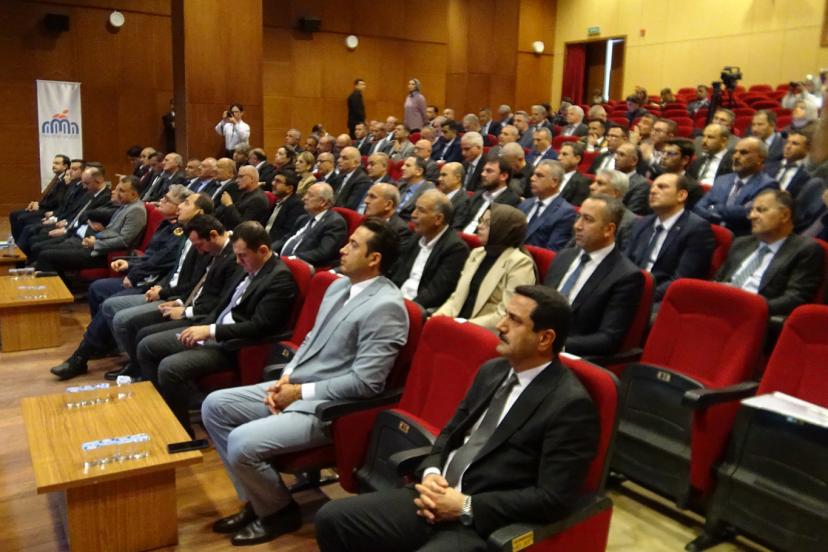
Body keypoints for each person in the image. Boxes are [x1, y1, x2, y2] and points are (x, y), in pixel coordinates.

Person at [315, 285, 599, 552]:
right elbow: (449, 434)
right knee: (332, 519)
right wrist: (431, 473)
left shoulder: (570, 405)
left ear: (545, 338)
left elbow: (552, 498)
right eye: (505, 315)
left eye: (514, 320)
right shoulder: (492, 371)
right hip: (434, 495)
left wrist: (465, 505)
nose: (501, 326)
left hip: (480, 523)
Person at [201, 218, 409, 546]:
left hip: (329, 407)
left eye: (354, 245)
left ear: (374, 259)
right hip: (296, 384)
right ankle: (259, 500)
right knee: (214, 406)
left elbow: (367, 383)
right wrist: (286, 376)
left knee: (240, 442)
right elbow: (311, 339)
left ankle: (278, 512)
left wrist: (298, 393)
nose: (343, 249)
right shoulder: (338, 286)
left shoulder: (387, 307)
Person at [138, 221, 297, 434]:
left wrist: (210, 331)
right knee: (148, 346)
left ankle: (180, 432)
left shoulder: (279, 278)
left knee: (169, 367)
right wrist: (203, 325)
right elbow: (222, 304)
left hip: (233, 345)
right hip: (213, 329)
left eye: (242, 256)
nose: (238, 261)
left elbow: (259, 326)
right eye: (237, 255)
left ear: (263, 250)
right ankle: (161, 410)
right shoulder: (249, 266)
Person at [47, 185, 193, 380]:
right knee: (97, 288)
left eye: (167, 200)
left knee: (110, 303)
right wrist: (130, 264)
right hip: (144, 273)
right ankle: (104, 345)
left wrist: (133, 274)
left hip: (154, 282)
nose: (161, 201)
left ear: (178, 207)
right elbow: (150, 257)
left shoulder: (180, 232)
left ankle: (81, 356)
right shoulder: (166, 225)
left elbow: (161, 262)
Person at [543, 195, 644, 357]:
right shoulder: (563, 256)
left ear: (608, 230)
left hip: (569, 353)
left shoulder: (626, 276)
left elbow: (608, 339)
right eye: (578, 217)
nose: (577, 226)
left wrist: (553, 344)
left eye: (588, 220)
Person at [715, 189, 823, 317]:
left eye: (760, 210)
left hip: (754, 316)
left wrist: (750, 307)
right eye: (751, 210)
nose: (751, 216)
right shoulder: (741, 243)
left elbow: (795, 298)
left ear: (785, 215)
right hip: (719, 306)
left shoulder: (805, 250)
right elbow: (718, 280)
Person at [433, 204, 536, 330]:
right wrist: (436, 319)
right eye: (481, 221)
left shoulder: (519, 263)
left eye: (487, 223)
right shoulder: (477, 253)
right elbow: (456, 298)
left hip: (484, 332)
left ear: (503, 229)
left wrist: (463, 327)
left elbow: (506, 313)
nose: (479, 226)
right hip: (458, 323)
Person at [625, 174, 715, 302]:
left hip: (663, 298)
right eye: (652, 187)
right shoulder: (641, 223)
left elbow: (681, 280)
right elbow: (625, 262)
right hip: (630, 290)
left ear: (681, 195)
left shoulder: (697, 229)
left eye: (662, 187)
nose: (653, 191)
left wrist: (644, 297)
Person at [35, 174, 147, 276]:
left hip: (107, 255)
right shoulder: (127, 206)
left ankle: (53, 291)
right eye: (117, 189)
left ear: (134, 194)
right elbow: (112, 231)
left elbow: (124, 241)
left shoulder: (136, 210)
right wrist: (94, 238)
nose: (117, 193)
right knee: (47, 251)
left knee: (47, 256)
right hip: (98, 247)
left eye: (121, 191)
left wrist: (96, 243)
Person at [393, 189, 469, 309]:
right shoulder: (417, 237)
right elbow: (398, 274)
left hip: (417, 308)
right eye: (415, 208)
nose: (413, 215)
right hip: (396, 300)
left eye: (421, 210)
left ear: (438, 219)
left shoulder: (456, 249)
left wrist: (404, 307)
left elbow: (435, 293)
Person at [693, 137, 778, 236]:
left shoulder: (767, 185)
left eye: (743, 153)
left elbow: (748, 213)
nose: (736, 157)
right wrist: (716, 215)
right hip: (708, 233)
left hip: (739, 238)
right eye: (735, 152)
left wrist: (715, 208)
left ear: (760, 159)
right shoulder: (722, 179)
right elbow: (699, 207)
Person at [273, 182, 348, 268]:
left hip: (301, 266)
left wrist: (291, 258)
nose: (304, 198)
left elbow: (322, 253)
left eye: (310, 195)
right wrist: (270, 250)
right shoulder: (304, 218)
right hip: (283, 261)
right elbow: (286, 239)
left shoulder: (335, 223)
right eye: (306, 194)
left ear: (323, 202)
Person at [519, 160, 576, 251]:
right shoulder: (525, 204)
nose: (532, 178)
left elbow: (551, 251)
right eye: (533, 174)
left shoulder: (566, 213)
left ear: (554, 182)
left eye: (539, 175)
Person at [458, 158, 521, 233]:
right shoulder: (478, 194)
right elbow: (459, 220)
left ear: (503, 176)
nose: (483, 174)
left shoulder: (511, 200)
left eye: (489, 171)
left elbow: (497, 231)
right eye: (483, 170)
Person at [557, 142, 591, 206]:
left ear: (577, 159)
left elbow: (573, 208)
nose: (559, 158)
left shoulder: (582, 182)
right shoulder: (551, 175)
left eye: (564, 154)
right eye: (559, 154)